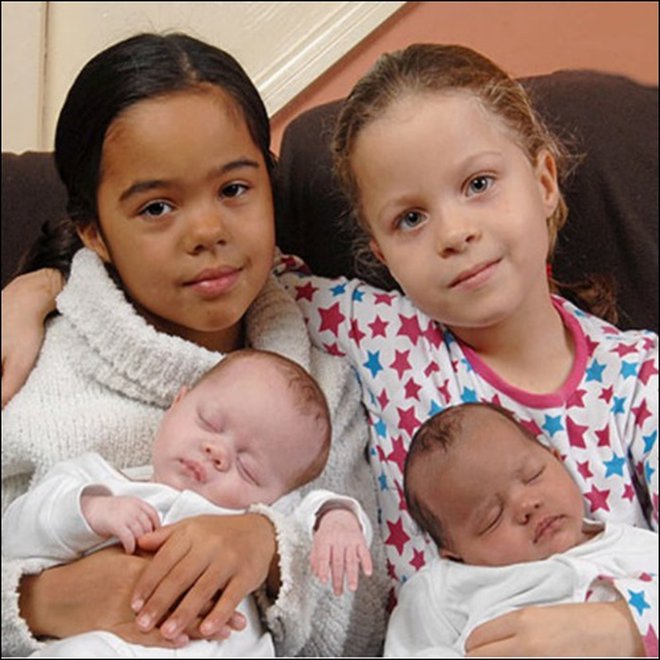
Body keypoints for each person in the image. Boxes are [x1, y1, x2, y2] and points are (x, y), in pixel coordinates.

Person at [3, 42, 658, 656]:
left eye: (480, 184)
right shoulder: (367, 331)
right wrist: (43, 284)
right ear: (378, 252)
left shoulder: (639, 377)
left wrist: (627, 628)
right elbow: (200, 270)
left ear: (545, 180)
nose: (455, 233)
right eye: (409, 218)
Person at [0, 32, 388, 658]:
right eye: (157, 206)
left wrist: (265, 548)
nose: (207, 231)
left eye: (235, 189)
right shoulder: (33, 368)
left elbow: (362, 626)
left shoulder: (319, 384)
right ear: (93, 231)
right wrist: (46, 600)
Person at [4, 348, 374, 657]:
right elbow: (14, 534)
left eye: (247, 468)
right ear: (176, 404)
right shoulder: (95, 480)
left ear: (274, 495)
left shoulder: (256, 519)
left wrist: (338, 518)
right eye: (209, 423)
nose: (216, 451)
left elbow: (306, 524)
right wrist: (90, 511)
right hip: (106, 645)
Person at [384, 402, 657, 657]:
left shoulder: (638, 547)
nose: (526, 505)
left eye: (533, 475)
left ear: (557, 459)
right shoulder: (443, 589)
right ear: (454, 554)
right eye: (491, 518)